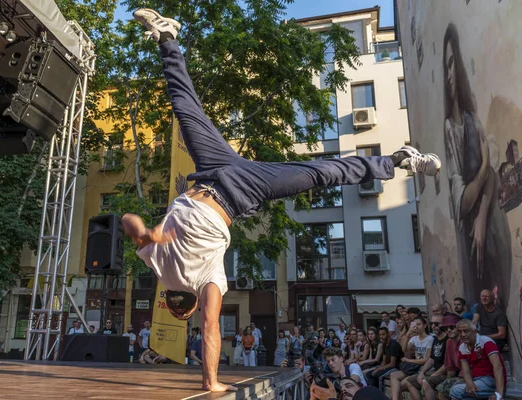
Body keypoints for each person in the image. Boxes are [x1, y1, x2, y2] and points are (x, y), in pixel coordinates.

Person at [129, 7, 441, 392]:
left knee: (314, 171)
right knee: (192, 111)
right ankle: (396, 159)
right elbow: (129, 221)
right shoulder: (167, 267)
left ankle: (397, 161)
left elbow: (210, 326)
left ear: (188, 306)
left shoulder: (192, 280)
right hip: (229, 183)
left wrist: (211, 383)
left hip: (224, 181)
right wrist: (149, 230)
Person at [442, 22, 511, 312]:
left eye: (451, 64)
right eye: (444, 67)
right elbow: (462, 201)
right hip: (470, 238)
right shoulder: (450, 128)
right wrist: (483, 169)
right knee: (480, 293)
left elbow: (493, 175)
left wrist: (482, 216)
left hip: (491, 225)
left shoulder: (472, 117)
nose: (448, 75)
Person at [448, 319, 506, 400]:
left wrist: (499, 394)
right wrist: (469, 383)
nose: (463, 334)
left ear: (474, 330)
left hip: (490, 380)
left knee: (456, 390)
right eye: (460, 332)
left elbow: (498, 367)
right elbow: (466, 370)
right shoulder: (463, 347)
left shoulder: (486, 341)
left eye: (466, 331)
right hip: (476, 380)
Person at [404, 315, 449, 400]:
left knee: (425, 381)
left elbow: (447, 364)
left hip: (443, 373)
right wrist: (422, 372)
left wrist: (434, 374)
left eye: (436, 324)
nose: (433, 326)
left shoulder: (447, 340)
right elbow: (431, 359)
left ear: (444, 325)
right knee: (410, 381)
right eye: (432, 323)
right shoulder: (436, 339)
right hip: (434, 370)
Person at [390, 317, 433, 400]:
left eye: (419, 324)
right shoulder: (414, 338)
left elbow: (426, 359)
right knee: (393, 375)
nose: (416, 327)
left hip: (425, 368)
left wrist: (409, 360)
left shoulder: (429, 339)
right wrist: (407, 335)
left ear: (424, 325)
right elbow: (404, 349)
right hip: (415, 367)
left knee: (399, 386)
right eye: (414, 325)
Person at [366, 327, 404, 392]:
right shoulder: (384, 344)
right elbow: (384, 361)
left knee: (379, 375)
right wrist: (378, 368)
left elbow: (392, 364)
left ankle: (380, 395)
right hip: (388, 365)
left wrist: (378, 369)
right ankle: (373, 393)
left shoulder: (393, 345)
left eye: (383, 334)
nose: (381, 336)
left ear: (388, 334)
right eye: (380, 335)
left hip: (396, 367)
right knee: (369, 374)